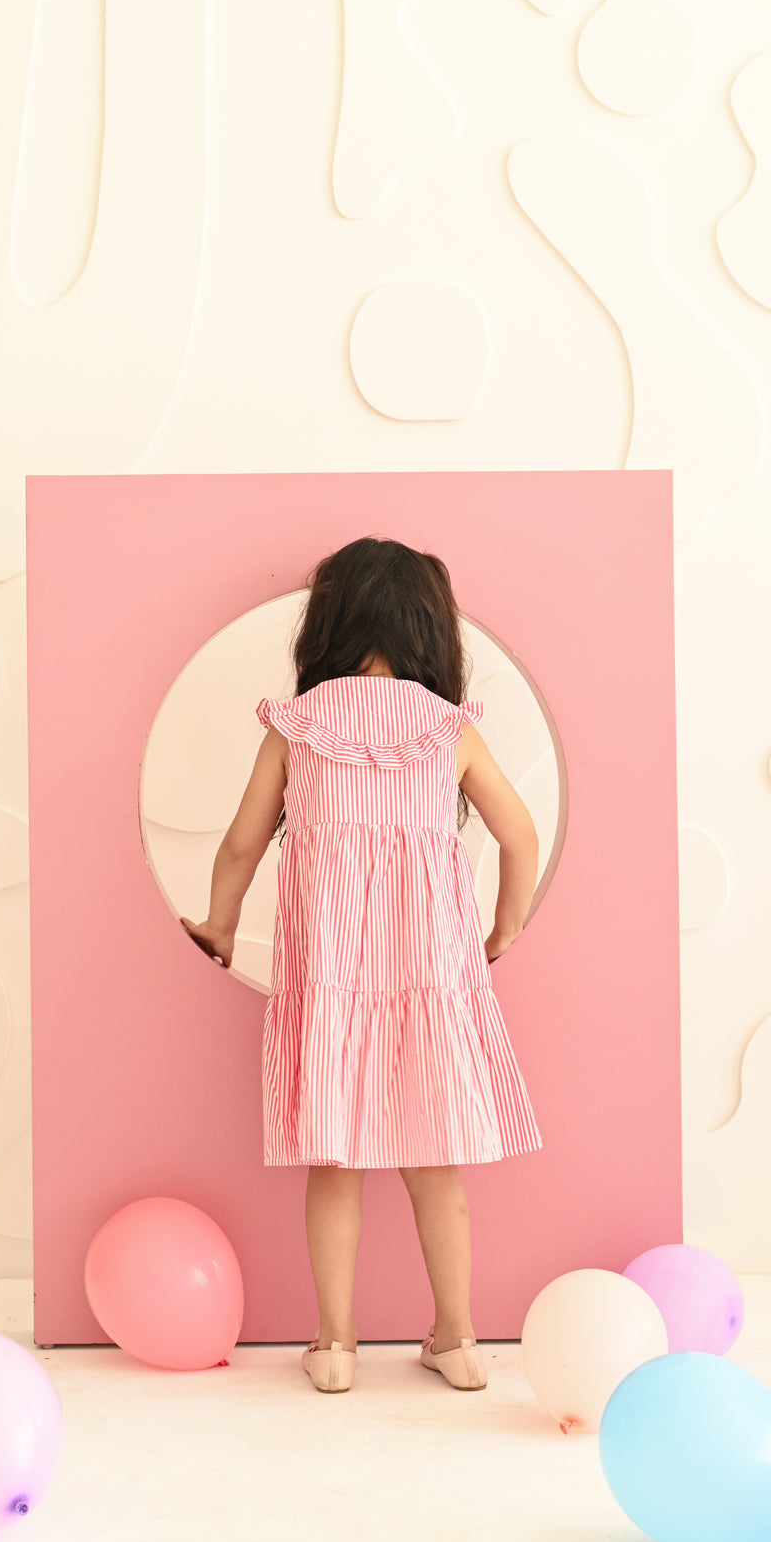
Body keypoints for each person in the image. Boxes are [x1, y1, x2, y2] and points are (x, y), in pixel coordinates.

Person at [181, 536, 543, 1394]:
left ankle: (336, 1345)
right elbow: (519, 833)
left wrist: (221, 925)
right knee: (434, 1160)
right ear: (430, 632)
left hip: (333, 984)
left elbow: (240, 844)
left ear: (328, 626)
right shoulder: (444, 727)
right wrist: (504, 925)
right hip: (431, 984)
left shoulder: (300, 725)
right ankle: (455, 1339)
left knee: (335, 1162)